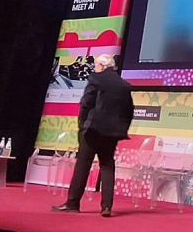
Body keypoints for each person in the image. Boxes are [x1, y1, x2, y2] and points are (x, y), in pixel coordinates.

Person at [51, 54, 135, 217]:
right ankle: (106, 207)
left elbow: (86, 103)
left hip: (93, 130)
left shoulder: (96, 79)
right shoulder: (124, 85)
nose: (94, 68)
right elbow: (129, 111)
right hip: (112, 133)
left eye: (96, 65)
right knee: (107, 165)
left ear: (102, 66)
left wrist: (82, 125)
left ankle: (73, 203)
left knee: (83, 165)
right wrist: (121, 130)